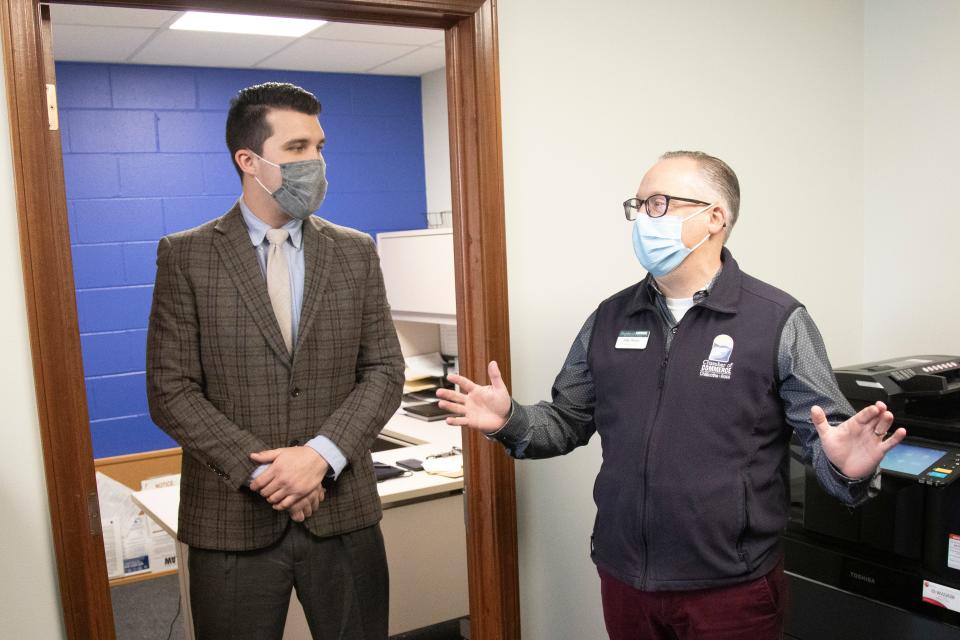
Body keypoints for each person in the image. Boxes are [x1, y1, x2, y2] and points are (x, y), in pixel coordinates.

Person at [436, 151, 906, 640]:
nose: (643, 219)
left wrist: (849, 468)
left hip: (731, 588)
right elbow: (567, 420)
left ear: (716, 217)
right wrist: (509, 418)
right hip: (625, 579)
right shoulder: (609, 318)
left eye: (658, 203)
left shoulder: (777, 320)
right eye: (637, 206)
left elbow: (827, 438)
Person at [146, 82, 404, 640]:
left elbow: (384, 371)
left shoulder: (355, 251)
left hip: (341, 511)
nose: (316, 161)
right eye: (296, 148)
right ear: (249, 160)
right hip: (231, 521)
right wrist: (269, 472)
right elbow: (173, 391)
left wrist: (319, 456)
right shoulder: (186, 256)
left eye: (319, 145)